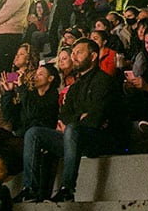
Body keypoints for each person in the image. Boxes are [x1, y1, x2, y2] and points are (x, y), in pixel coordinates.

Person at [20, 38, 120, 202]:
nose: (74, 56)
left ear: (93, 56)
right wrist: (78, 118)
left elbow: (96, 118)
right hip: (73, 136)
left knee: (73, 129)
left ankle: (67, 189)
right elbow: (64, 115)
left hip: (100, 138)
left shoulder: (104, 81)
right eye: (72, 53)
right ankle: (29, 189)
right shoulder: (75, 86)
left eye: (79, 52)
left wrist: (74, 122)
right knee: (33, 133)